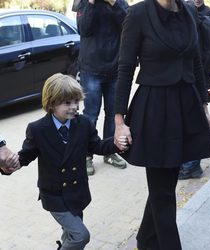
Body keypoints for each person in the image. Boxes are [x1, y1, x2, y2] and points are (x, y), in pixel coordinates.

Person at [114, 0, 210, 249]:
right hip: (155, 110)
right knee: (163, 192)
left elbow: (196, 62)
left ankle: (146, 240)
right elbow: (125, 68)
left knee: (165, 186)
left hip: (185, 106)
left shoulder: (189, 10)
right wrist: (119, 120)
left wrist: (204, 105)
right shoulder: (137, 13)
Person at [8, 73, 127, 250]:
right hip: (54, 196)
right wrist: (10, 164)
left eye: (76, 101)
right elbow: (26, 155)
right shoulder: (38, 129)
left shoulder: (84, 124)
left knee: (70, 235)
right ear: (51, 104)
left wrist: (116, 144)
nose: (74, 107)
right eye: (67, 103)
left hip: (77, 192)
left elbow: (97, 146)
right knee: (80, 236)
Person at [76, 0, 129, 175]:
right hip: (91, 69)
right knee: (90, 114)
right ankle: (86, 154)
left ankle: (109, 151)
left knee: (113, 114)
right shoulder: (84, 2)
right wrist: (91, 4)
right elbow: (83, 29)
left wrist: (113, 3)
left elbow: (128, 25)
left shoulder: (119, 2)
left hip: (115, 68)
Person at [179, 0, 210, 180]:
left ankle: (191, 166)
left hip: (199, 77)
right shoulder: (181, 9)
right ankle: (187, 163)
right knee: (186, 121)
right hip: (185, 76)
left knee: (196, 121)